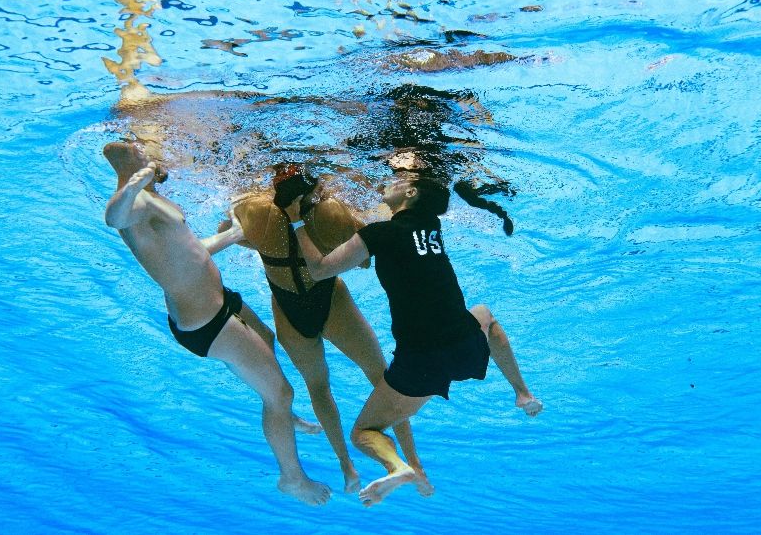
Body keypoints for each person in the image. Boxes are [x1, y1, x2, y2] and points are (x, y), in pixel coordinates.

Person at [284, 150, 543, 507]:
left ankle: (397, 467)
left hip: (420, 364)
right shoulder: (432, 229)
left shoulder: (380, 234)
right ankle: (523, 394)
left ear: (411, 193)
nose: (389, 181)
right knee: (483, 313)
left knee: (363, 433)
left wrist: (297, 221)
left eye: (398, 181)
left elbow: (319, 269)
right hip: (464, 348)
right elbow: (408, 226)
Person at [102, 141, 331, 506]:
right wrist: (131, 184)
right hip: (208, 322)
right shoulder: (135, 203)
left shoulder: (149, 197)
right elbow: (113, 218)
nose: (147, 152)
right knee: (280, 393)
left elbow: (189, 250)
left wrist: (234, 234)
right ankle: (292, 478)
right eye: (139, 151)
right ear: (128, 162)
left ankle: (284, 416)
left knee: (267, 338)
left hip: (218, 302)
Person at [224, 162, 431, 495]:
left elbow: (231, 233)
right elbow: (363, 259)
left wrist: (265, 242)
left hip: (288, 310)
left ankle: (346, 466)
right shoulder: (330, 212)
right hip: (331, 300)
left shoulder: (255, 210)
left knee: (318, 388)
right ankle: (412, 461)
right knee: (381, 375)